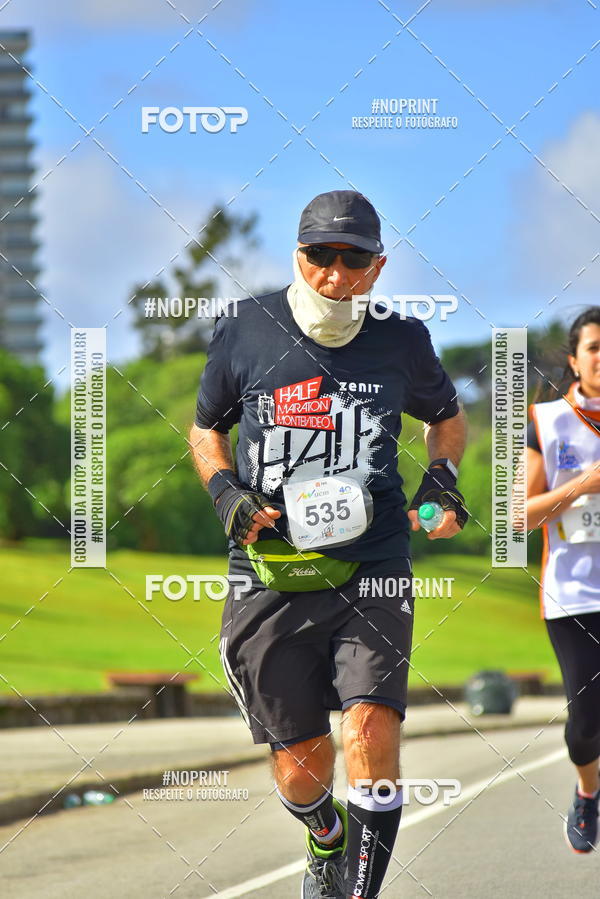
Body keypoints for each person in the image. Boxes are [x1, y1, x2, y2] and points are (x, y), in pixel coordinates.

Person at [190, 190, 468, 898]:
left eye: (351, 259)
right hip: (271, 569)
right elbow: (205, 430)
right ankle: (325, 832)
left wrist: (441, 480)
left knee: (370, 729)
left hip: (373, 562)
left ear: (377, 267)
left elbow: (447, 418)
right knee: (301, 768)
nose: (334, 275)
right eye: (319, 256)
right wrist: (226, 491)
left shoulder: (402, 340)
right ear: (298, 254)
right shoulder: (246, 328)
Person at [526, 306, 600, 854]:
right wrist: (583, 485)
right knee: (585, 724)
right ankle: (587, 791)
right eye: (594, 347)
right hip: (573, 593)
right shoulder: (545, 419)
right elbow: (517, 516)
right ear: (574, 359)